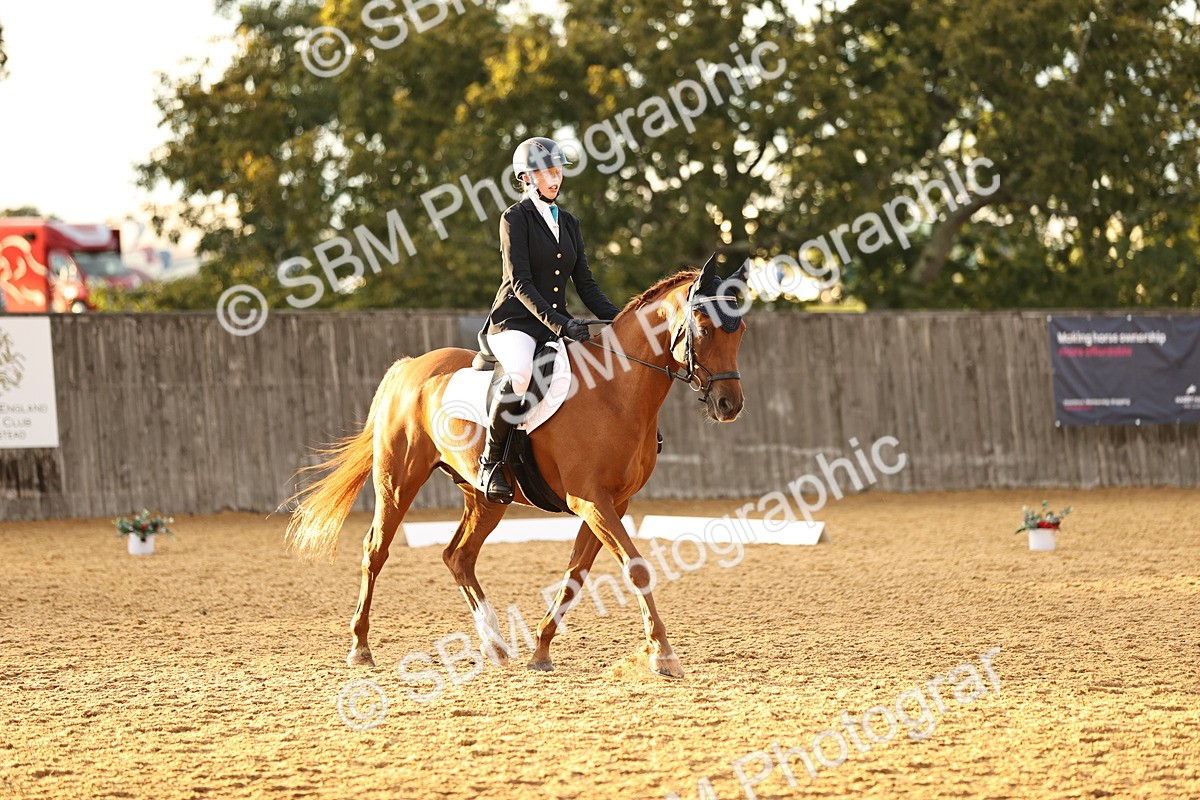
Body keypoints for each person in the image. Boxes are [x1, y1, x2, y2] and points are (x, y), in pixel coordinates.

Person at [476, 137, 624, 503]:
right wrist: (560, 324)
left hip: (553, 324)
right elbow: (520, 282)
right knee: (522, 373)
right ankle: (490, 461)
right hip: (514, 322)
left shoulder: (569, 223)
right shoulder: (514, 219)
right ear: (526, 178)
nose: (555, 179)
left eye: (558, 172)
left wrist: (623, 321)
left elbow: (586, 285)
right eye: (547, 173)